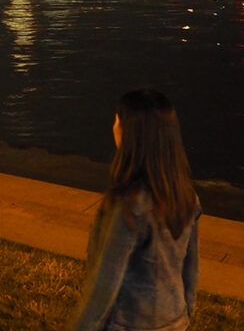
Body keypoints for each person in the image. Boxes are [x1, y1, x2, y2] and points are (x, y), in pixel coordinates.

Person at [67, 89, 200, 331]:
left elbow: (105, 284)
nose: (114, 125)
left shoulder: (128, 205)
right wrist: (186, 312)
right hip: (175, 321)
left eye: (118, 119)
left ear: (130, 133)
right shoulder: (185, 195)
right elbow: (190, 267)